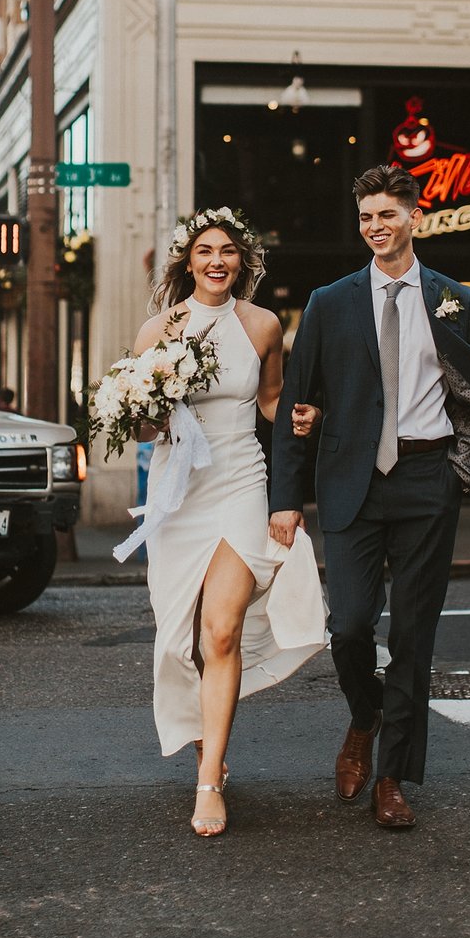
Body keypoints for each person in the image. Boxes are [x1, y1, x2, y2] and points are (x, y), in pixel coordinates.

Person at [270, 164, 470, 831]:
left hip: (426, 480)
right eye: (365, 217)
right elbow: (298, 400)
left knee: (414, 637)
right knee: (349, 625)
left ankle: (392, 777)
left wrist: (461, 470)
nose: (375, 227)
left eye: (387, 214)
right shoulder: (329, 301)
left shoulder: (454, 298)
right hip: (352, 481)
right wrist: (286, 496)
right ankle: (364, 712)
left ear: (415, 214)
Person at [129, 208, 326, 838]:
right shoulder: (156, 330)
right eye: (206, 251)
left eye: (229, 252)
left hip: (241, 478)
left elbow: (270, 399)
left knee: (220, 632)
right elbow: (142, 426)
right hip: (180, 490)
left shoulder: (264, 324)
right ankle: (208, 743)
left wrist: (298, 419)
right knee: (182, 639)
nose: (217, 261)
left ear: (243, 262)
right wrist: (148, 411)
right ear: (188, 261)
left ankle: (209, 778)